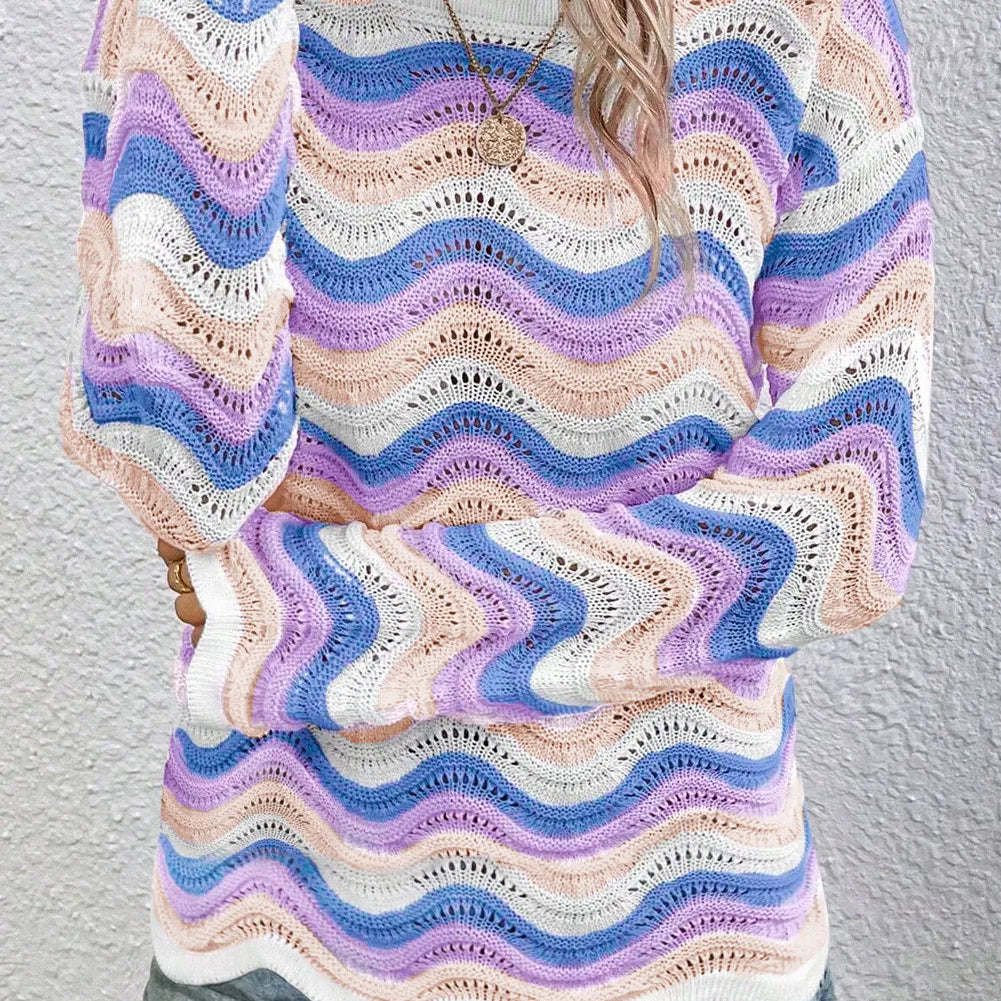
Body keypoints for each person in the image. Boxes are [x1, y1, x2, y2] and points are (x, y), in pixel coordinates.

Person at [59, 0, 934, 998]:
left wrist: (303, 615)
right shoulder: (196, 22)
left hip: (683, 933)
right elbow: (186, 482)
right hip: (276, 922)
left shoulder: (802, 27)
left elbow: (852, 513)